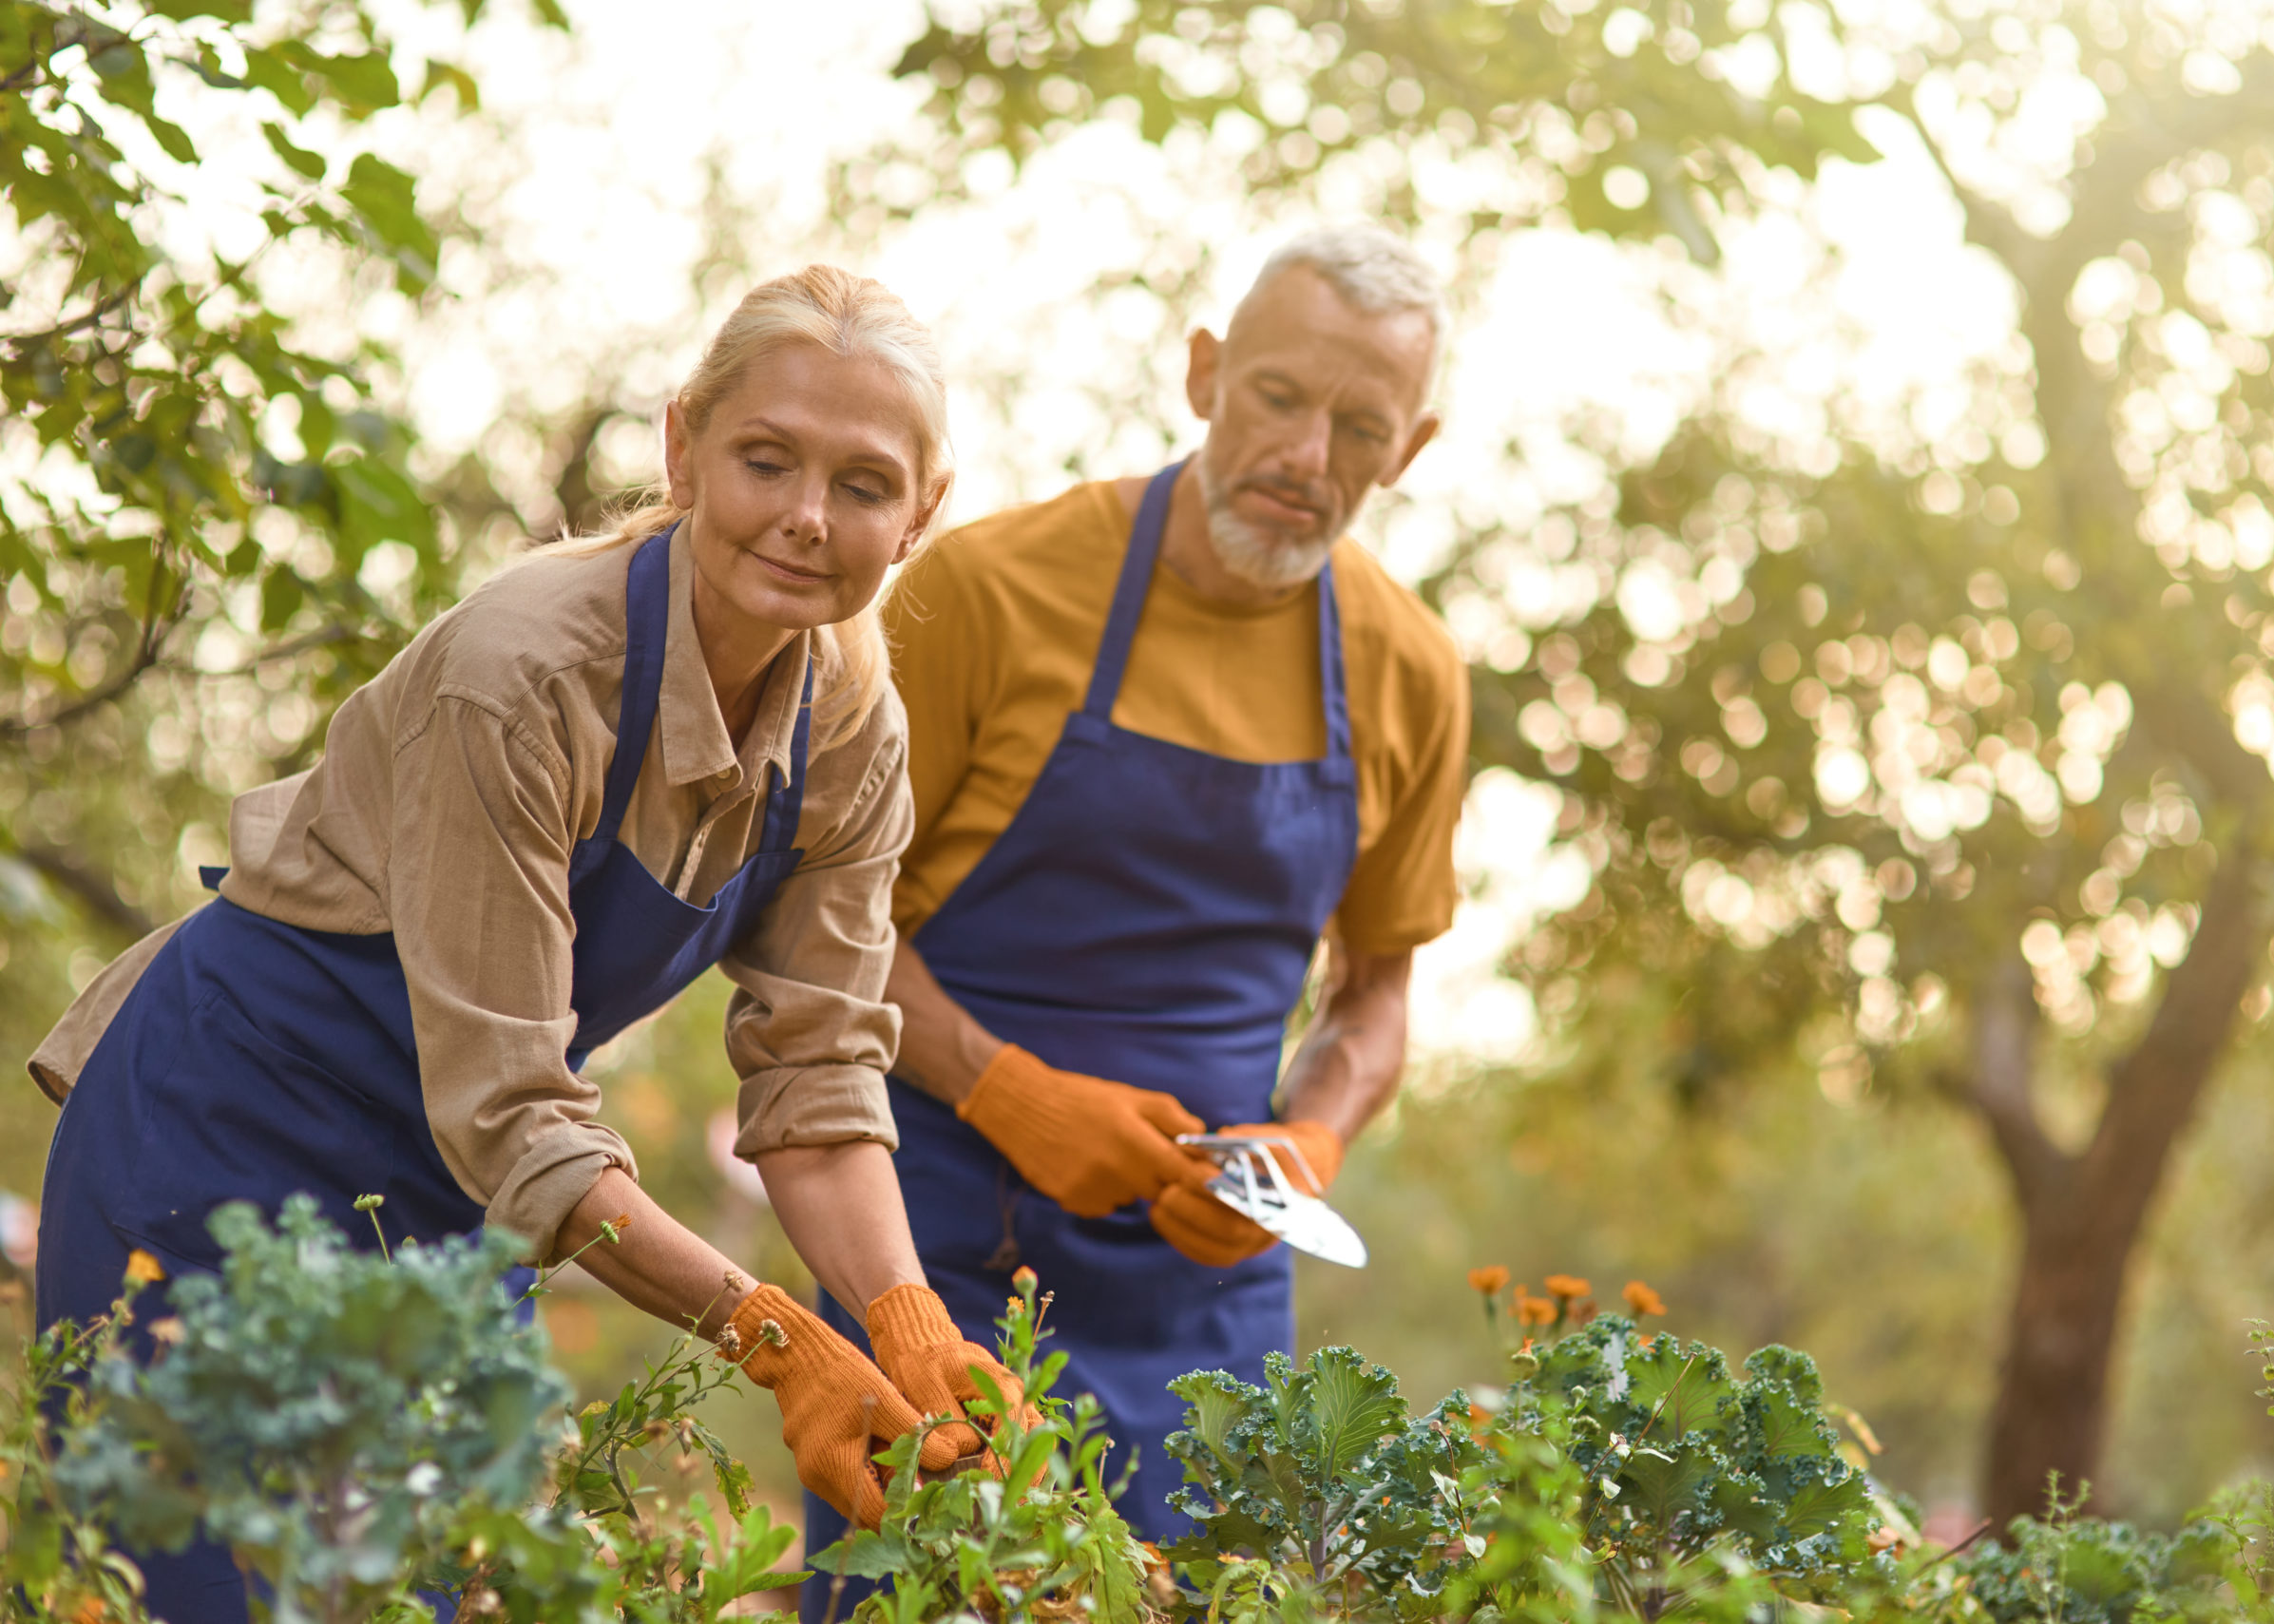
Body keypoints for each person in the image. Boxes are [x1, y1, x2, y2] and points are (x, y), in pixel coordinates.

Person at [29, 265, 1023, 1621]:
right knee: (203, 1588)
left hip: (448, 1197)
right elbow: (514, 1115)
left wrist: (904, 1318)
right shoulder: (526, 670)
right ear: (683, 446)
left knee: (440, 1593)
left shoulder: (850, 722)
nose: (806, 517)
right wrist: (776, 1339)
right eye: (765, 459)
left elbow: (819, 1082)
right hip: (221, 1140)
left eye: (861, 484)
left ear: (922, 515)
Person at [804, 222, 1470, 1556]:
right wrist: (1005, 1087)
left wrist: (1319, 1136)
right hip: (944, 1254)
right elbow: (818, 928)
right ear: (1206, 373)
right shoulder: (987, 591)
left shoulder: (1411, 669)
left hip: (1210, 1304)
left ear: (1411, 448)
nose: (1305, 457)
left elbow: (1376, 993)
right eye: (1279, 397)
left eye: (1359, 425)